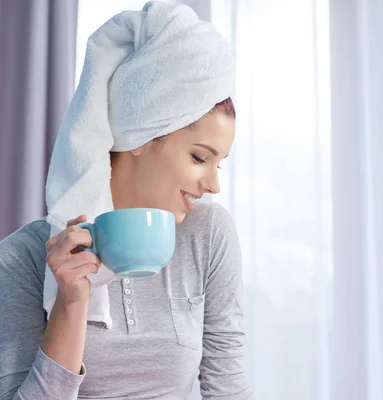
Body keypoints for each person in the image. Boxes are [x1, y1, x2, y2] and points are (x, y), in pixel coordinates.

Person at [0, 2, 252, 400]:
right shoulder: (23, 259)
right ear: (143, 136)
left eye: (219, 163)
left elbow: (229, 389)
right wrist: (70, 301)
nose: (213, 185)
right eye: (199, 157)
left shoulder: (209, 234)